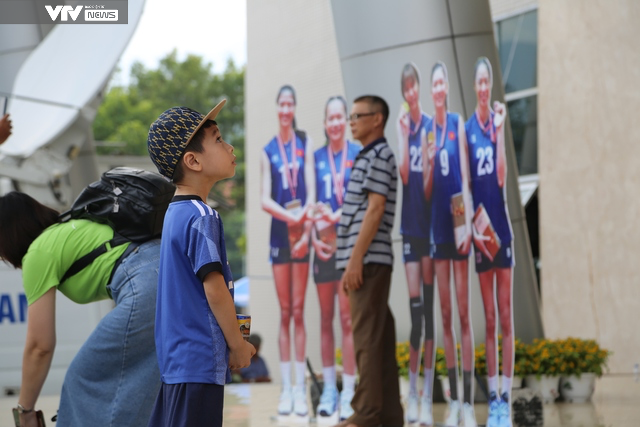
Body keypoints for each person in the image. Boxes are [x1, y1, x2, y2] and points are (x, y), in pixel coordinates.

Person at [0, 193, 161, 427]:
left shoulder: (38, 252)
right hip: (170, 274)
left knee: (82, 379)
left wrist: (25, 410)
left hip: (147, 286)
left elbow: (39, 347)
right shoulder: (74, 226)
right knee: (144, 386)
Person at [146, 100, 255, 426]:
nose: (230, 146)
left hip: (177, 362)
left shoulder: (174, 214)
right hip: (199, 360)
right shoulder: (202, 216)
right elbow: (215, 289)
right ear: (192, 160)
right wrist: (237, 346)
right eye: (219, 139)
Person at [334, 95, 402, 427]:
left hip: (368, 261)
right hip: (367, 259)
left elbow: (375, 209)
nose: (351, 122)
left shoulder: (379, 155)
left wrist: (354, 260)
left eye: (358, 116)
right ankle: (388, 415)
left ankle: (366, 414)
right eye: (351, 116)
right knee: (379, 339)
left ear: (377, 119)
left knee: (366, 340)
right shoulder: (369, 156)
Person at [423, 61, 476, 427]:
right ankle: (454, 398)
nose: (439, 88)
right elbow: (426, 189)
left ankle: (469, 400)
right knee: (444, 314)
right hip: (437, 227)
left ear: (446, 88)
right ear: (431, 91)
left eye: (442, 82)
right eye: (435, 84)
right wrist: (426, 165)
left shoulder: (457, 123)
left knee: (463, 312)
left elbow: (467, 177)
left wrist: (469, 220)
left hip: (459, 219)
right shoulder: (428, 132)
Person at [465, 57, 515, 427]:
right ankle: (493, 394)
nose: (483, 88)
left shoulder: (497, 124)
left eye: (487, 82)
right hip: (482, 234)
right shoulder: (466, 129)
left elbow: (500, 176)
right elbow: (467, 185)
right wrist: (471, 228)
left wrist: (499, 130)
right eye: (479, 82)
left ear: (492, 85)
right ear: (474, 86)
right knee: (490, 319)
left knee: (507, 315)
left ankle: (506, 397)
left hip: (503, 231)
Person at [260, 84, 314, 416]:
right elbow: (265, 198)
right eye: (281, 104)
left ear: (294, 108)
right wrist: (289, 215)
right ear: (277, 108)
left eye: (290, 104)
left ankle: (300, 387)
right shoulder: (268, 150)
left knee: (298, 309)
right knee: (283, 311)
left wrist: (303, 219)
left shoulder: (304, 145)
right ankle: (286, 389)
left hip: (301, 231)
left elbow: (310, 188)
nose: (285, 110)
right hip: (281, 234)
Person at [311, 96, 360, 420]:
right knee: (326, 318)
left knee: (347, 319)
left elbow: (360, 200)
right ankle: (329, 387)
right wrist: (315, 233)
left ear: (346, 120)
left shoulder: (357, 154)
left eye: (340, 117)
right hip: (324, 246)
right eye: (330, 118)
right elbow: (311, 202)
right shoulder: (315, 158)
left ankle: (352, 389)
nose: (335, 123)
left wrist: (335, 217)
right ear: (326, 123)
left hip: (350, 244)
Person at [395, 62, 436, 425]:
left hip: (433, 228)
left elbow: (428, 185)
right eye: (405, 89)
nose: (410, 93)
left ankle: (427, 389)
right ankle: (413, 392)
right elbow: (406, 174)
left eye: (413, 87)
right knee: (415, 313)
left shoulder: (432, 129)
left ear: (419, 88)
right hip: (410, 228)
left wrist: (426, 146)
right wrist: (403, 135)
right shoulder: (405, 127)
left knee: (429, 312)